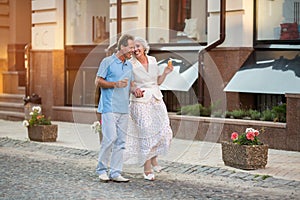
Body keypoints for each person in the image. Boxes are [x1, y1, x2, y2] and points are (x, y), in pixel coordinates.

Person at [124, 36, 173, 181]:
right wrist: (134, 90)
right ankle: (147, 168)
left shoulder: (153, 60)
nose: (135, 49)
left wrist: (165, 72)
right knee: (146, 133)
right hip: (140, 102)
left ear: (145, 47)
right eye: (133, 47)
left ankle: (153, 158)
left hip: (156, 99)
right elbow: (131, 84)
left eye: (138, 46)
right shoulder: (129, 64)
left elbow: (157, 82)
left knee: (163, 131)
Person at [95, 34, 142, 183]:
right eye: (130, 47)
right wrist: (115, 84)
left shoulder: (129, 65)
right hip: (109, 107)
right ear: (121, 47)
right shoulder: (107, 62)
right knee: (109, 139)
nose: (133, 50)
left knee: (121, 142)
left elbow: (131, 84)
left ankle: (115, 172)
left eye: (134, 47)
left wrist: (136, 90)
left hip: (124, 108)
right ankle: (102, 170)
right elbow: (98, 81)